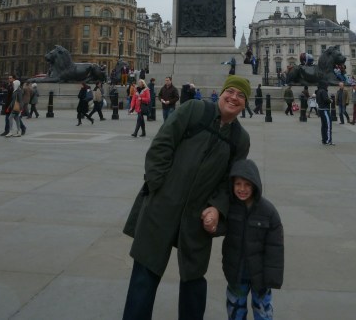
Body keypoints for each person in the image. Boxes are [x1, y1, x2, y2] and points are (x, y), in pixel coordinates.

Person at [121, 75, 251, 320]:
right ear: (221, 93)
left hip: (198, 217)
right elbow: (162, 144)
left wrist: (217, 209)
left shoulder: (240, 139)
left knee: (193, 281)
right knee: (144, 276)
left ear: (245, 103)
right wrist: (158, 187)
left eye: (241, 95)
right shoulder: (194, 110)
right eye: (231, 92)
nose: (234, 98)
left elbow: (231, 182)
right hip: (162, 206)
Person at [221, 159, 284, 320]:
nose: (242, 189)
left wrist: (272, 278)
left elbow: (275, 248)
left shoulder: (268, 212)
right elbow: (218, 228)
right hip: (237, 273)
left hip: (260, 276)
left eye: (248, 185)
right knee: (235, 310)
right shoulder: (229, 207)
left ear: (255, 185)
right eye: (238, 184)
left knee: (262, 310)